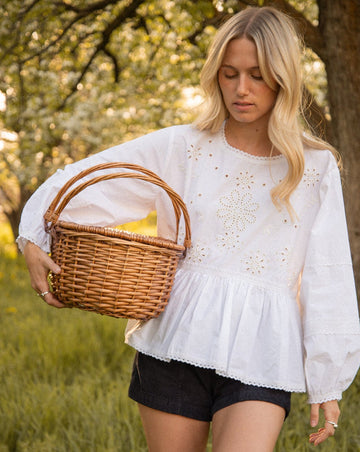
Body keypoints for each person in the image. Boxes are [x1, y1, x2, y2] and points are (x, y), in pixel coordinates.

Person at [18, 6, 360, 452]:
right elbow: (82, 178)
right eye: (229, 73)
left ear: (284, 77)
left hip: (260, 348)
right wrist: (31, 236)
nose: (241, 89)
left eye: (258, 75)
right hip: (173, 340)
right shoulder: (183, 146)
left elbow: (326, 273)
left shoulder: (313, 168)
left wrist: (328, 378)